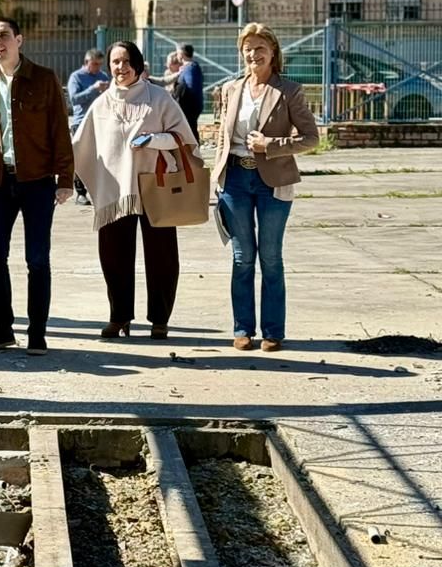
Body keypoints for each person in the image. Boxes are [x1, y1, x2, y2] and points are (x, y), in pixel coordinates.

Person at [71, 40, 200, 340]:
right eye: (115, 62)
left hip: (156, 188)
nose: (121, 67)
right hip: (115, 192)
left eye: (127, 61)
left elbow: (185, 139)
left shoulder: (158, 98)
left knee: (163, 258)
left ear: (138, 63)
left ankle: (160, 319)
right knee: (113, 256)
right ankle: (119, 317)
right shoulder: (101, 104)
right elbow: (81, 145)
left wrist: (153, 140)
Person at [0, 15, 74, 355]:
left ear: (19, 40)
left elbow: (60, 130)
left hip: (37, 182)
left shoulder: (43, 79)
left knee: (37, 259)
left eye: (3, 36)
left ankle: (37, 333)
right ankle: (1, 330)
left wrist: (65, 179)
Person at [215, 23, 318, 353]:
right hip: (234, 180)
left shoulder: (289, 90)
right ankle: (242, 328)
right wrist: (215, 173)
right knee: (242, 258)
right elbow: (222, 134)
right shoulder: (231, 89)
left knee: (270, 257)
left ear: (273, 52)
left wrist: (270, 144)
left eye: (260, 48)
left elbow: (310, 139)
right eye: (247, 48)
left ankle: (273, 331)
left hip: (273, 183)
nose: (253, 54)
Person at [67, 48, 110, 206]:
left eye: (99, 64)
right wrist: (93, 89)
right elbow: (74, 99)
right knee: (81, 156)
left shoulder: (103, 76)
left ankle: (100, 190)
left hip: (101, 121)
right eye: (94, 64)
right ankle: (80, 193)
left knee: (102, 157)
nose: (97, 68)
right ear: (86, 63)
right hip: (81, 122)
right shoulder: (76, 77)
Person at [176, 44, 205, 133]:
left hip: (189, 107)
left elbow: (191, 86)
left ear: (182, 54)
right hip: (190, 106)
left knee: (190, 131)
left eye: (177, 53)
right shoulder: (189, 68)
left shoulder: (191, 68)